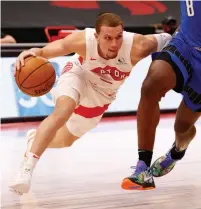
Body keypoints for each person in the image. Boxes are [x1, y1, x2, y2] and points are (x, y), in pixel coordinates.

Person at [9, 12, 171, 195]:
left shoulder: (139, 46)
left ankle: (34, 139)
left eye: (118, 37)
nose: (114, 44)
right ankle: (26, 171)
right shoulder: (83, 41)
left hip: (102, 96)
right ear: (96, 36)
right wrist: (33, 52)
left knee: (65, 141)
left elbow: (168, 38)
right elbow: (50, 50)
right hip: (78, 75)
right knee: (64, 110)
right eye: (107, 38)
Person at [122, 1, 201, 190]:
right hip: (185, 44)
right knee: (151, 85)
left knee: (183, 127)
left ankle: (177, 151)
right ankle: (142, 168)